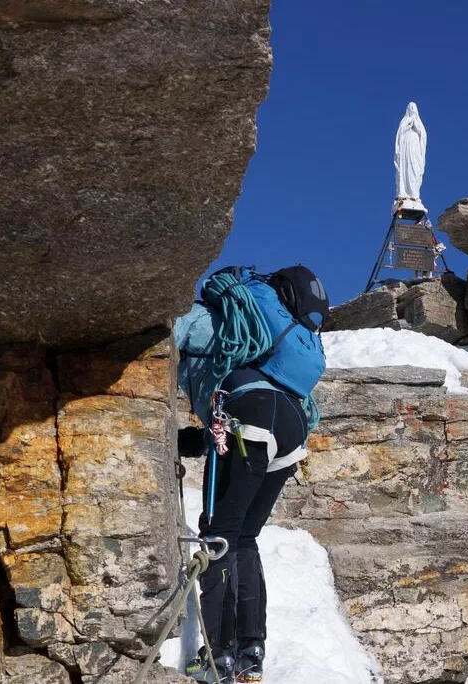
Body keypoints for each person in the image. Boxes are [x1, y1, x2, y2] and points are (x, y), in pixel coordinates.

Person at [173, 265, 330, 683]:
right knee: (245, 537)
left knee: (220, 534)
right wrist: (204, 439)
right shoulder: (286, 341)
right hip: (291, 427)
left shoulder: (223, 315)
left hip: (247, 415)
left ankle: (219, 654)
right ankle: (252, 649)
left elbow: (171, 332)